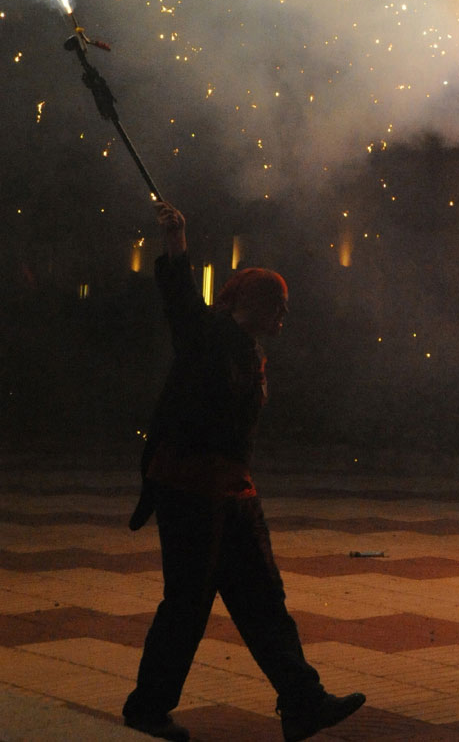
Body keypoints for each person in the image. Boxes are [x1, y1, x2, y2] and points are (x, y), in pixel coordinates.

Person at [123, 201, 365, 742]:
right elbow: (180, 299)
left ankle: (302, 702)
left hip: (232, 493)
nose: (284, 314)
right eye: (275, 304)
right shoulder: (206, 335)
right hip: (190, 489)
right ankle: (146, 708)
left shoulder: (250, 349)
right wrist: (177, 243)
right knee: (188, 602)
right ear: (247, 304)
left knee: (262, 599)